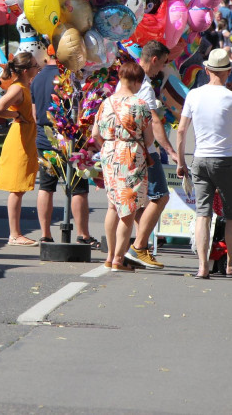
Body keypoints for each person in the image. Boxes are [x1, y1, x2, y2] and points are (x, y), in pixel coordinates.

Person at [176, 48, 232, 279]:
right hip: (225, 159)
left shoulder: (193, 95)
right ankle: (231, 263)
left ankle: (202, 266)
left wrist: (180, 161)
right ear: (228, 71)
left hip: (200, 159)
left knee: (202, 214)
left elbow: (181, 131)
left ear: (206, 70)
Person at [31, 48, 98, 247]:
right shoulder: (68, 76)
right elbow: (77, 110)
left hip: (44, 136)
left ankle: (45, 234)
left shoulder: (38, 76)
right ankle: (83, 234)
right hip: (69, 137)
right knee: (78, 188)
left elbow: (35, 114)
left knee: (46, 186)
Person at [91, 61, 154, 271]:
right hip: (130, 154)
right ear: (137, 81)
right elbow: (150, 138)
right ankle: (119, 258)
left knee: (112, 206)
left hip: (109, 153)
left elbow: (94, 134)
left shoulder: (106, 103)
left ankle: (109, 256)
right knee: (128, 210)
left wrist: (109, 146)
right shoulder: (140, 104)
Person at [123, 40, 180, 270]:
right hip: (146, 150)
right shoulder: (145, 86)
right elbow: (154, 120)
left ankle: (133, 249)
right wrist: (170, 150)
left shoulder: (127, 81)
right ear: (154, 60)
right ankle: (138, 246)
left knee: (136, 202)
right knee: (160, 197)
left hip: (124, 148)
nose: (162, 70)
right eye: (163, 64)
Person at [0, 52, 41, 246]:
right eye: (36, 66)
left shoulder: (24, 87)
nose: (38, 68)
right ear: (27, 70)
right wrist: (15, 115)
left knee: (19, 188)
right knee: (17, 188)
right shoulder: (18, 88)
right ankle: (15, 234)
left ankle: (16, 233)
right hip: (19, 142)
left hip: (25, 138)